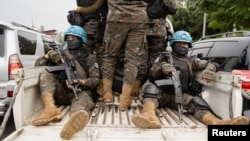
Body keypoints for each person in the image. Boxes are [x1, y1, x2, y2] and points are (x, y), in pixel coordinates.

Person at [131, 30, 249, 128]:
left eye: (185, 44)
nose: (182, 46)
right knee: (150, 89)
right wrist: (161, 68)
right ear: (173, 44)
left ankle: (215, 122)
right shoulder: (164, 57)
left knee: (197, 101)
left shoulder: (191, 61)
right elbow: (151, 76)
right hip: (161, 93)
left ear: (189, 46)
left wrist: (211, 69)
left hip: (179, 95)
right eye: (179, 44)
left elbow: (211, 63)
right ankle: (149, 116)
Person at [32, 25, 100, 139]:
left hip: (80, 92)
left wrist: (81, 81)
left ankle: (72, 126)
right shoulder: (60, 54)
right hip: (62, 92)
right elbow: (37, 66)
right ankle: (50, 109)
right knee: (45, 74)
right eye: (68, 38)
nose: (70, 41)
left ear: (81, 40)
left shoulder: (90, 57)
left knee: (79, 109)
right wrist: (47, 56)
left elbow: (95, 80)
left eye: (73, 38)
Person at [100, 0, 150, 110]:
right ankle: (125, 99)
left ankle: (107, 94)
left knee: (109, 55)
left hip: (116, 17)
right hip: (139, 18)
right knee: (133, 59)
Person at [67, 0, 108, 97]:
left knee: (84, 58)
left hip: (86, 28)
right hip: (100, 27)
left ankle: (86, 83)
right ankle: (99, 88)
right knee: (102, 59)